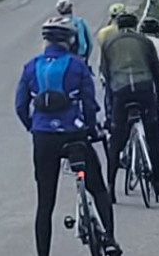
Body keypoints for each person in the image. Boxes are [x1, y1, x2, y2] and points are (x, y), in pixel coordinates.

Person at [15, 17, 119, 256]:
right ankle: (111, 239)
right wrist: (92, 130)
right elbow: (89, 104)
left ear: (45, 40)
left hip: (43, 137)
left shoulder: (31, 66)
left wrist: (34, 127)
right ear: (70, 40)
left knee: (45, 202)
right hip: (74, 134)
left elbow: (20, 106)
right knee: (98, 189)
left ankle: (43, 253)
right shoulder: (77, 66)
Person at [98, 12, 159, 196]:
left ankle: (111, 186)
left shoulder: (109, 43)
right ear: (136, 25)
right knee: (154, 136)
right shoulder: (145, 42)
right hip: (144, 89)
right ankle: (157, 181)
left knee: (115, 140)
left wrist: (109, 108)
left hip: (120, 92)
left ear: (118, 26)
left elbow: (105, 73)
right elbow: (156, 70)